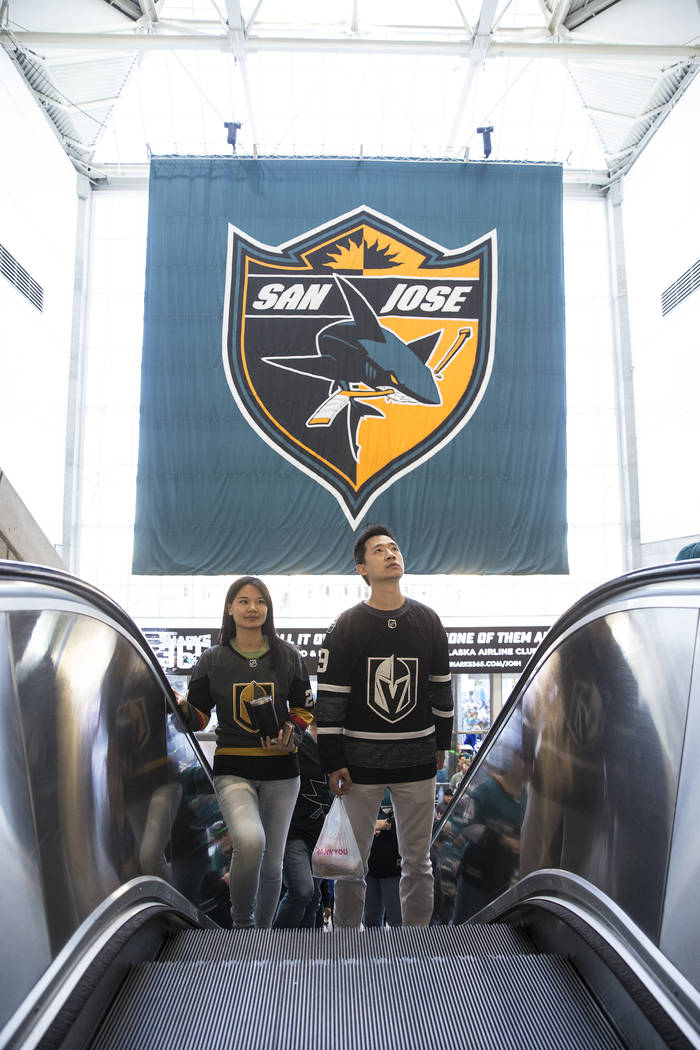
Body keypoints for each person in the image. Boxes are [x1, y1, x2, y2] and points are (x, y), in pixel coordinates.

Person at [316, 523, 453, 927]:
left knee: (418, 863)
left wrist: (442, 740)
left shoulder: (428, 621)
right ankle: (345, 946)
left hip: (416, 762)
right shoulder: (347, 625)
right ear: (362, 568)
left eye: (394, 548)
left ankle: (415, 947)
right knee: (350, 866)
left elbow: (440, 690)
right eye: (379, 550)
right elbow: (330, 700)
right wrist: (332, 760)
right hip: (359, 766)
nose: (391, 553)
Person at [177, 576, 314, 927]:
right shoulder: (212, 660)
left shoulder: (288, 656)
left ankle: (261, 938)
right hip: (233, 768)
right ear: (229, 608)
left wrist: (291, 729)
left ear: (268, 609)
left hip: (283, 773)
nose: (252, 608)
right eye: (243, 601)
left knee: (272, 862)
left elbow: (305, 707)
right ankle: (242, 926)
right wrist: (180, 705)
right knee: (250, 842)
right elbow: (199, 718)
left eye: (259, 602)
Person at [273, 722, 331, 929]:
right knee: (302, 890)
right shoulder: (300, 743)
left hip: (320, 833)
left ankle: (306, 952)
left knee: (313, 898)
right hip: (294, 831)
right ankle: (276, 947)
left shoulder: (333, 748)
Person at [363, 790, 402, 927]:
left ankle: (401, 948)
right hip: (369, 862)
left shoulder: (399, 786)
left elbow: (413, 815)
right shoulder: (367, 784)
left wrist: (386, 823)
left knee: (397, 919)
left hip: (394, 864)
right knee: (371, 919)